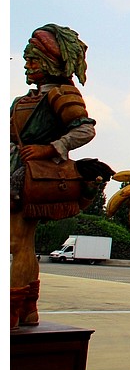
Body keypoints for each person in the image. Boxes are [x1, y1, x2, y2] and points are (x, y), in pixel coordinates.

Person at [10, 24, 111, 329]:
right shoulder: (28, 98)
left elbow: (85, 129)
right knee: (21, 242)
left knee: (18, 241)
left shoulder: (61, 92)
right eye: (27, 60)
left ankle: (14, 305)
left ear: (51, 62)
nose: (28, 66)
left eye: (34, 60)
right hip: (16, 169)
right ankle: (27, 306)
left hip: (29, 177)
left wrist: (49, 149)